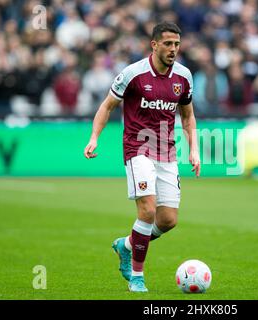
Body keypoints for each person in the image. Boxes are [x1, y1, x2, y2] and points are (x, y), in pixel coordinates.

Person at [83, 22, 200, 293]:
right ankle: (137, 276)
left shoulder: (183, 76)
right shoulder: (133, 74)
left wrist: (193, 149)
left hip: (167, 151)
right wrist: (93, 137)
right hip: (138, 149)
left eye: (177, 44)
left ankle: (125, 245)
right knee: (147, 210)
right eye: (168, 44)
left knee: (168, 220)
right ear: (154, 44)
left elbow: (187, 115)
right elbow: (107, 106)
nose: (173, 49)